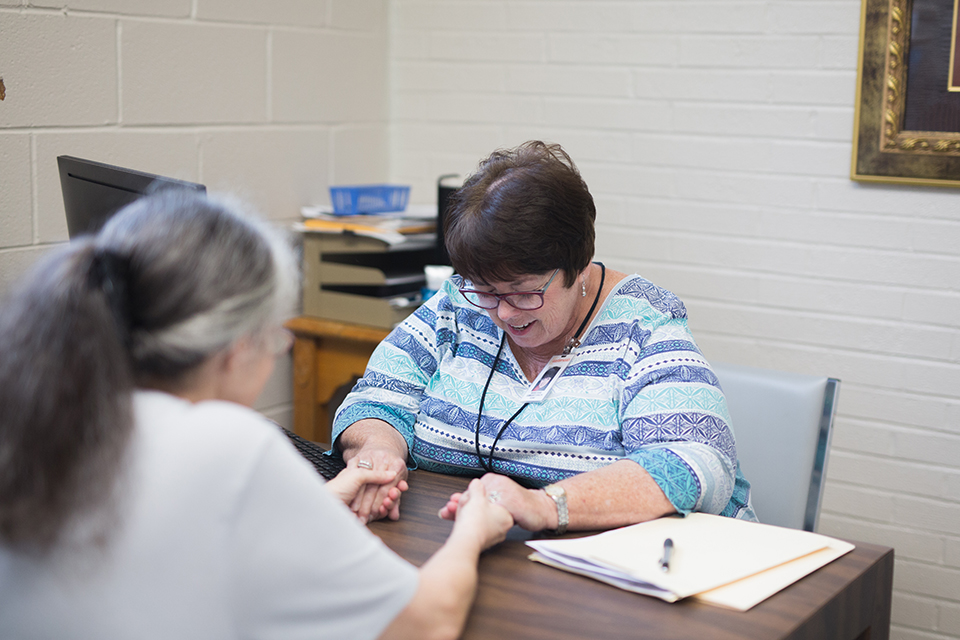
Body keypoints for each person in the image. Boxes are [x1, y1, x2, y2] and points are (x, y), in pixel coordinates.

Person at [0, 190, 512, 640]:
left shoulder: (38, 409)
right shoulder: (228, 444)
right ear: (233, 349)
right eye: (273, 334)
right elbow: (426, 622)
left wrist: (318, 501)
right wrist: (474, 528)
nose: (281, 347)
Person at [333, 140, 756, 534]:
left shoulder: (643, 327)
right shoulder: (458, 305)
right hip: (479, 547)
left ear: (581, 264)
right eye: (485, 291)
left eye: (523, 292)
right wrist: (380, 454)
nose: (501, 312)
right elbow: (377, 398)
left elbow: (693, 463)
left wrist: (545, 505)